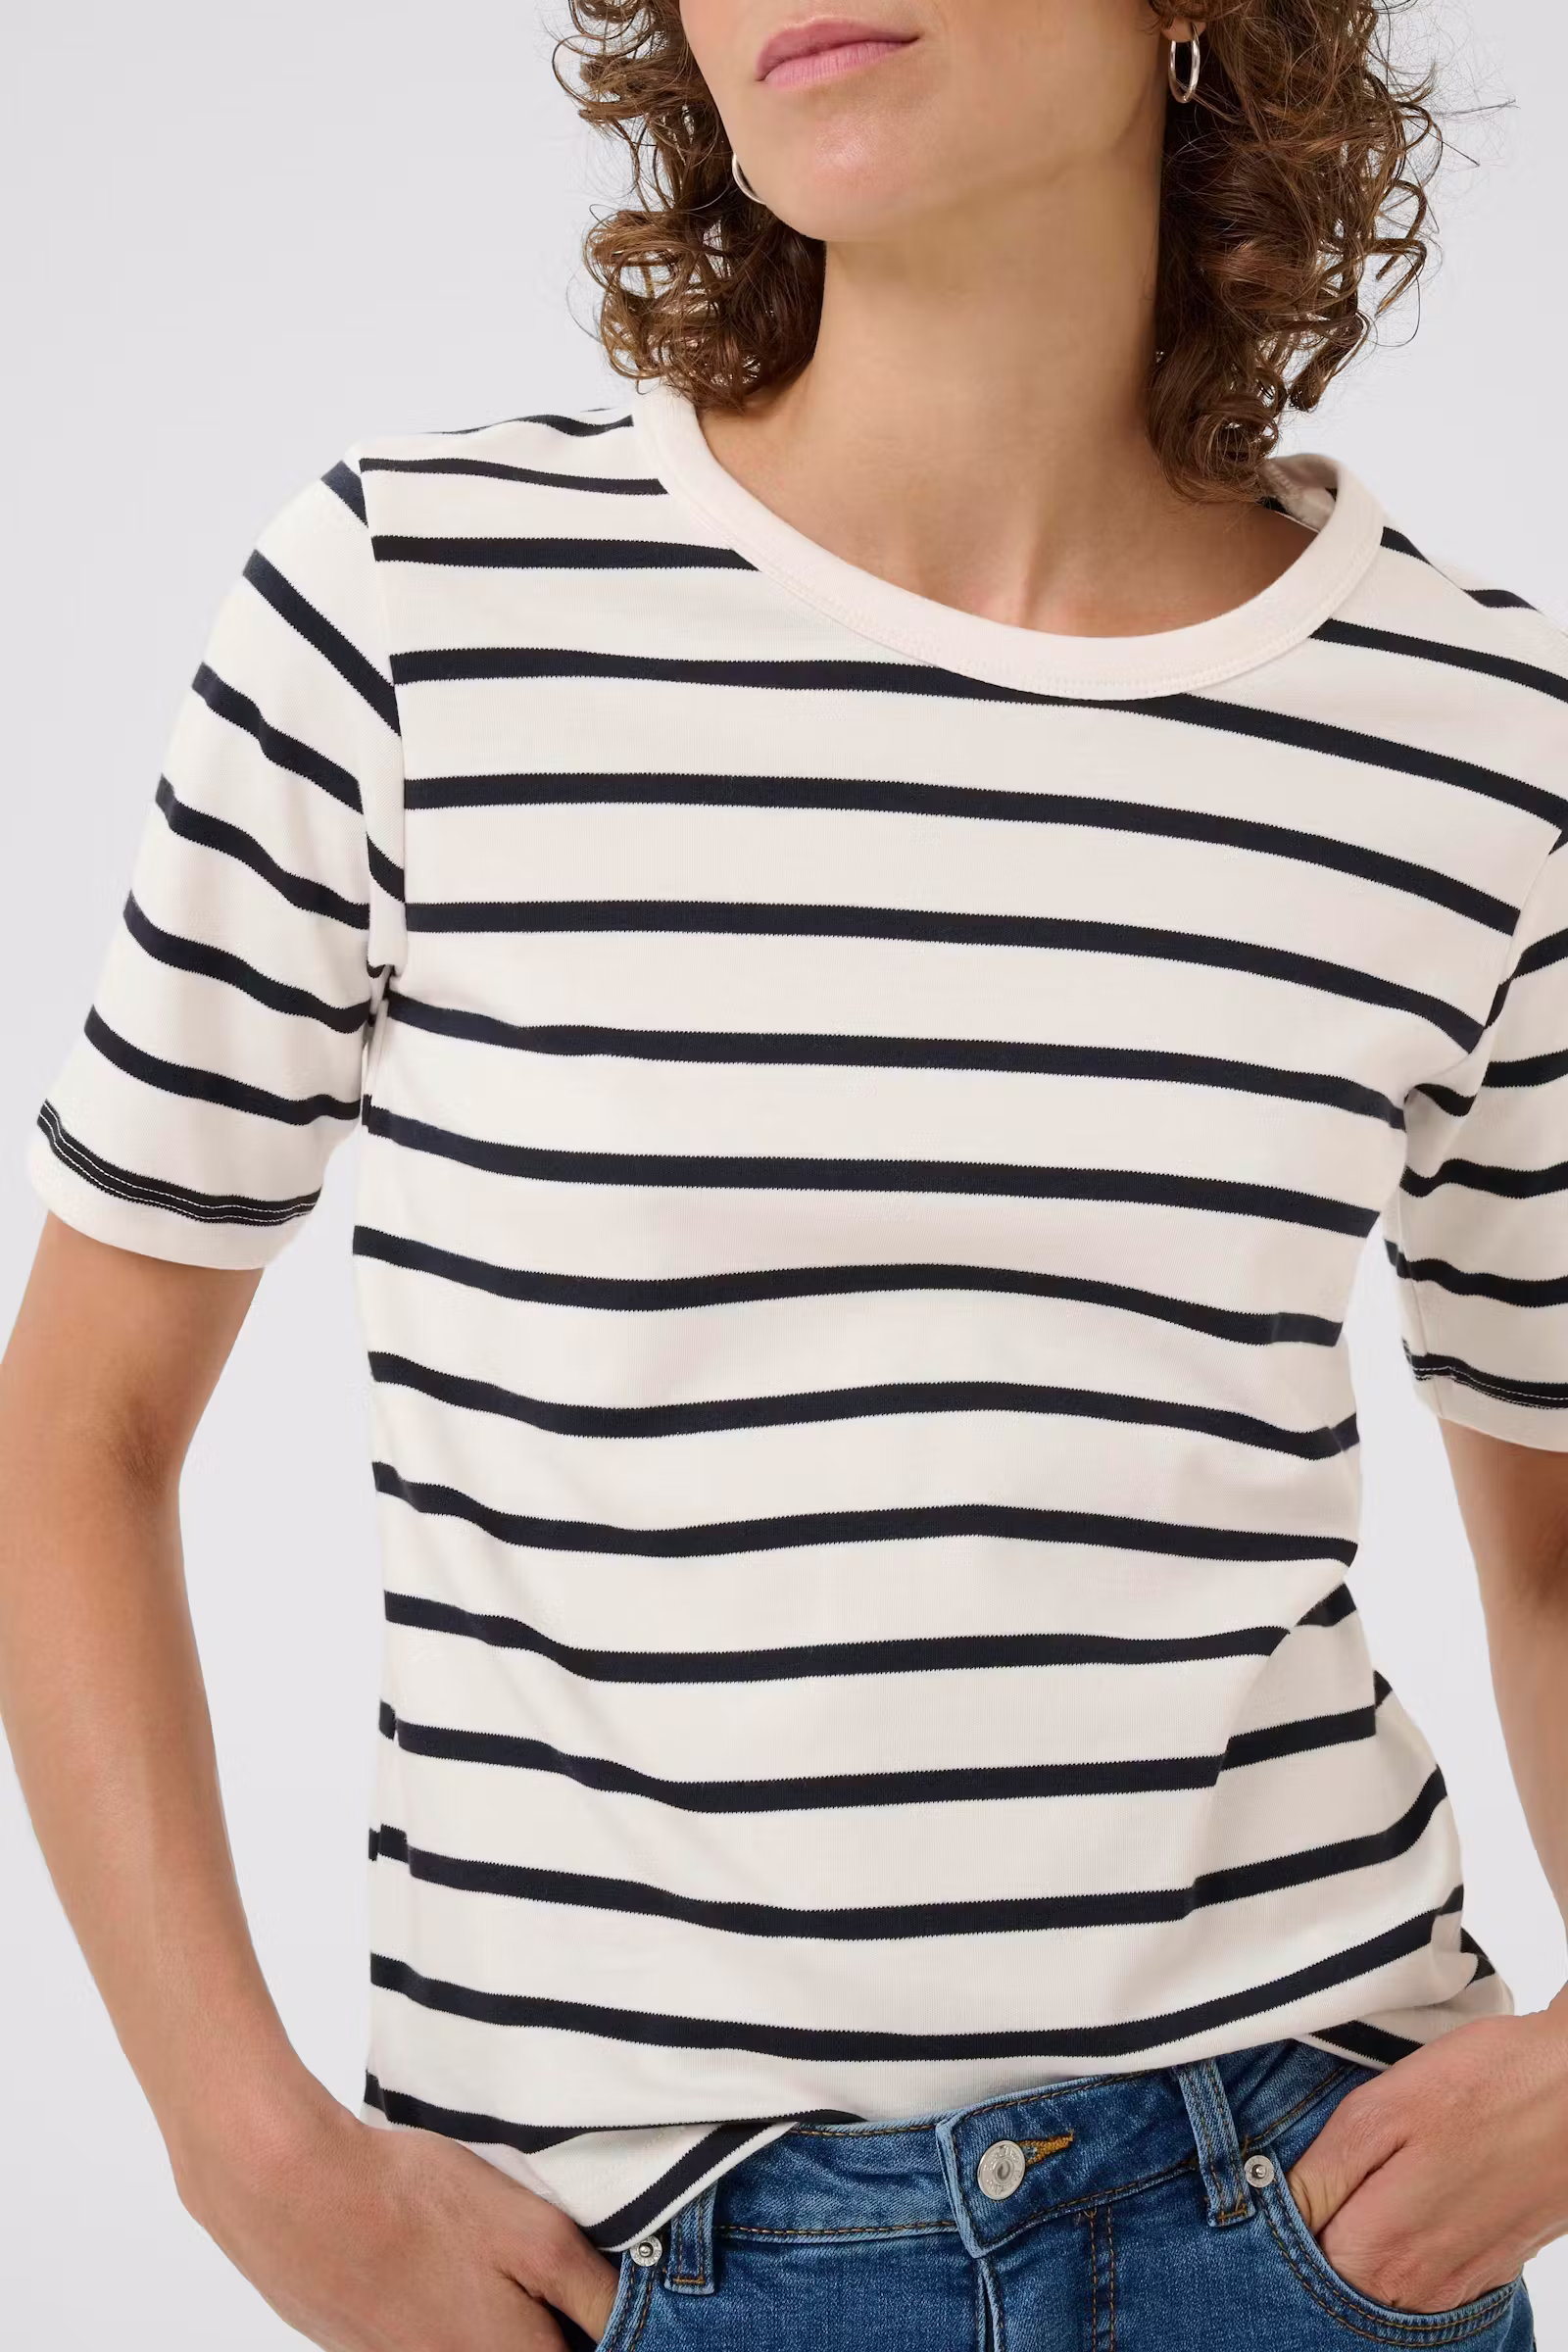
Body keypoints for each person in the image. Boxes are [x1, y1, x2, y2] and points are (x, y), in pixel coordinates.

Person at [3, 1, 1566, 2344]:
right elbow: (77, 1429)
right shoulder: (412, 607)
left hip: (1295, 2213)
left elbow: (1546, 1542)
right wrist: (244, 2152)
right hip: (618, 2260)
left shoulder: (1470, 747)